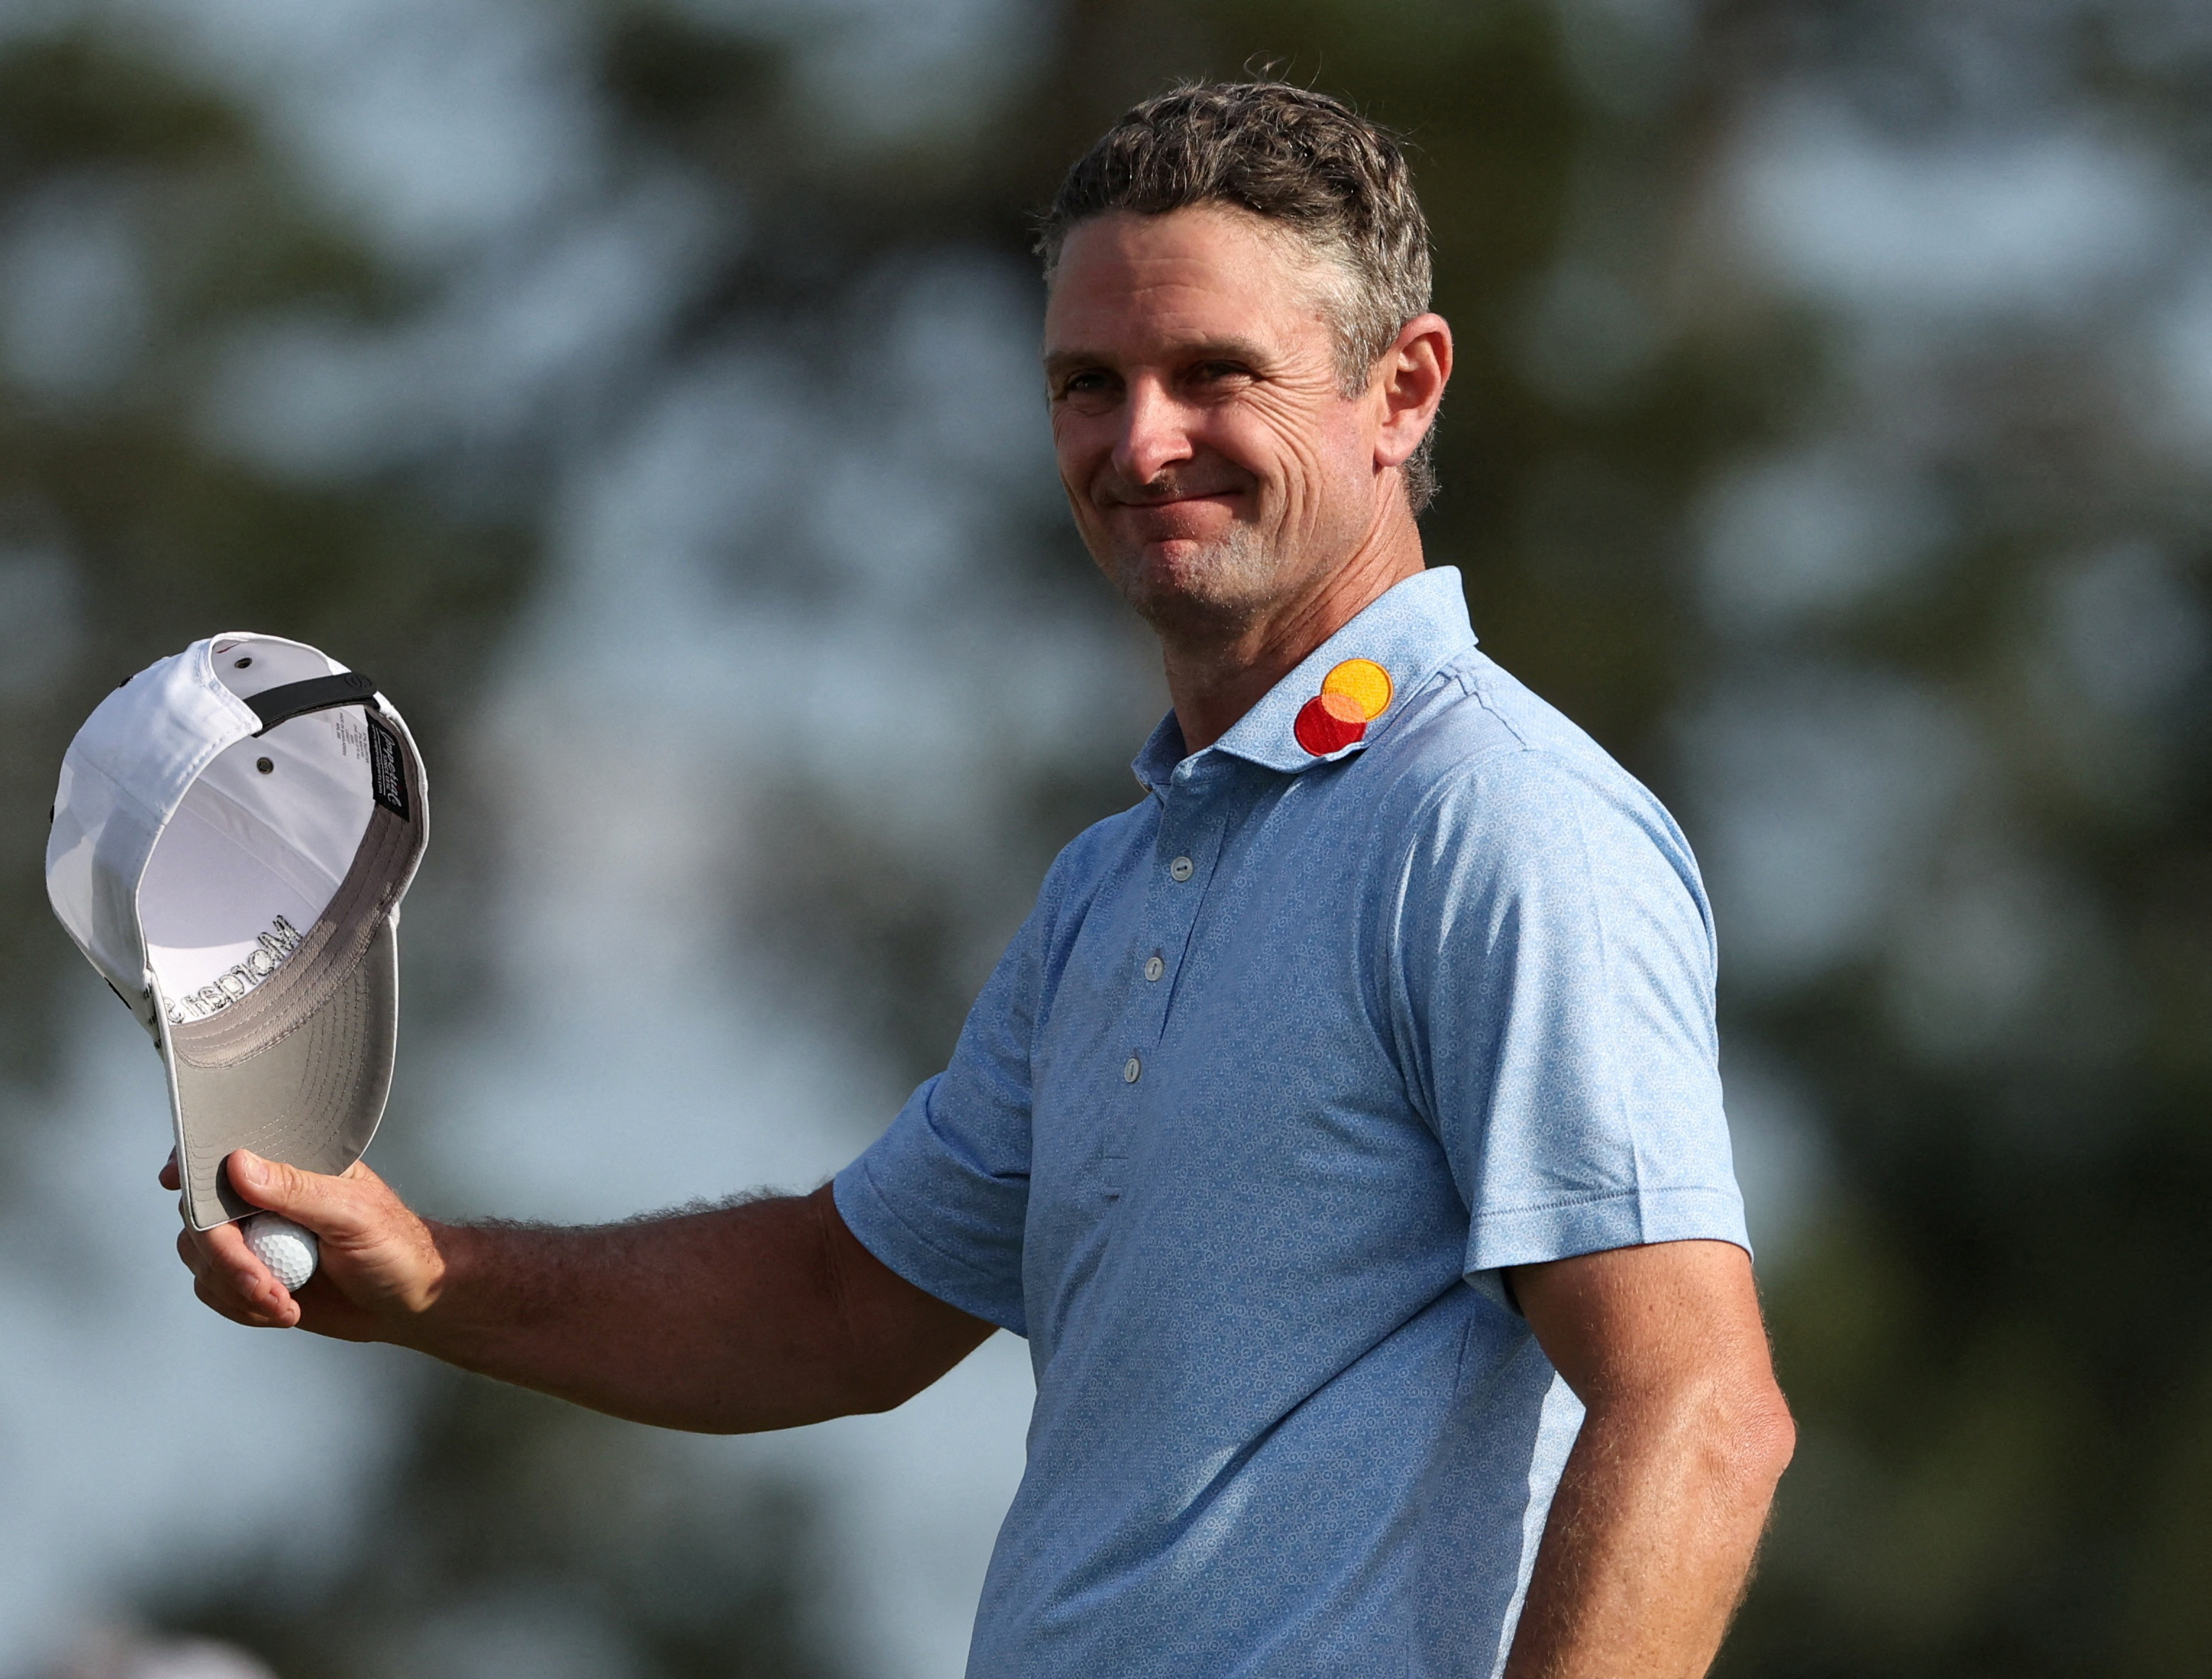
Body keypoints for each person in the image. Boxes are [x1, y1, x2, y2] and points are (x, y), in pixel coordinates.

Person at [172, 80, 1792, 1679]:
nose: (1142, 440)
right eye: (1090, 382)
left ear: (1404, 388)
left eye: (1215, 372)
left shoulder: (1501, 820)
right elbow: (834, 1304)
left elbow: (1699, 1411)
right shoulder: (1113, 881)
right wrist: (433, 1277)